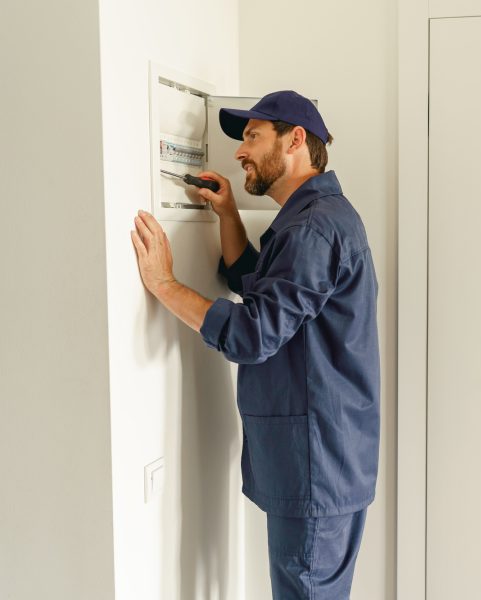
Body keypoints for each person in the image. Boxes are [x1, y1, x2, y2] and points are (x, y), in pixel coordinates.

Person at [130, 90, 380, 599]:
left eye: (251, 136)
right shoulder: (316, 218)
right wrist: (227, 214)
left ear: (295, 140)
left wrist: (164, 285)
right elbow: (261, 288)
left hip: (316, 465)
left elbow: (254, 334)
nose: (240, 151)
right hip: (328, 460)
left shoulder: (312, 228)